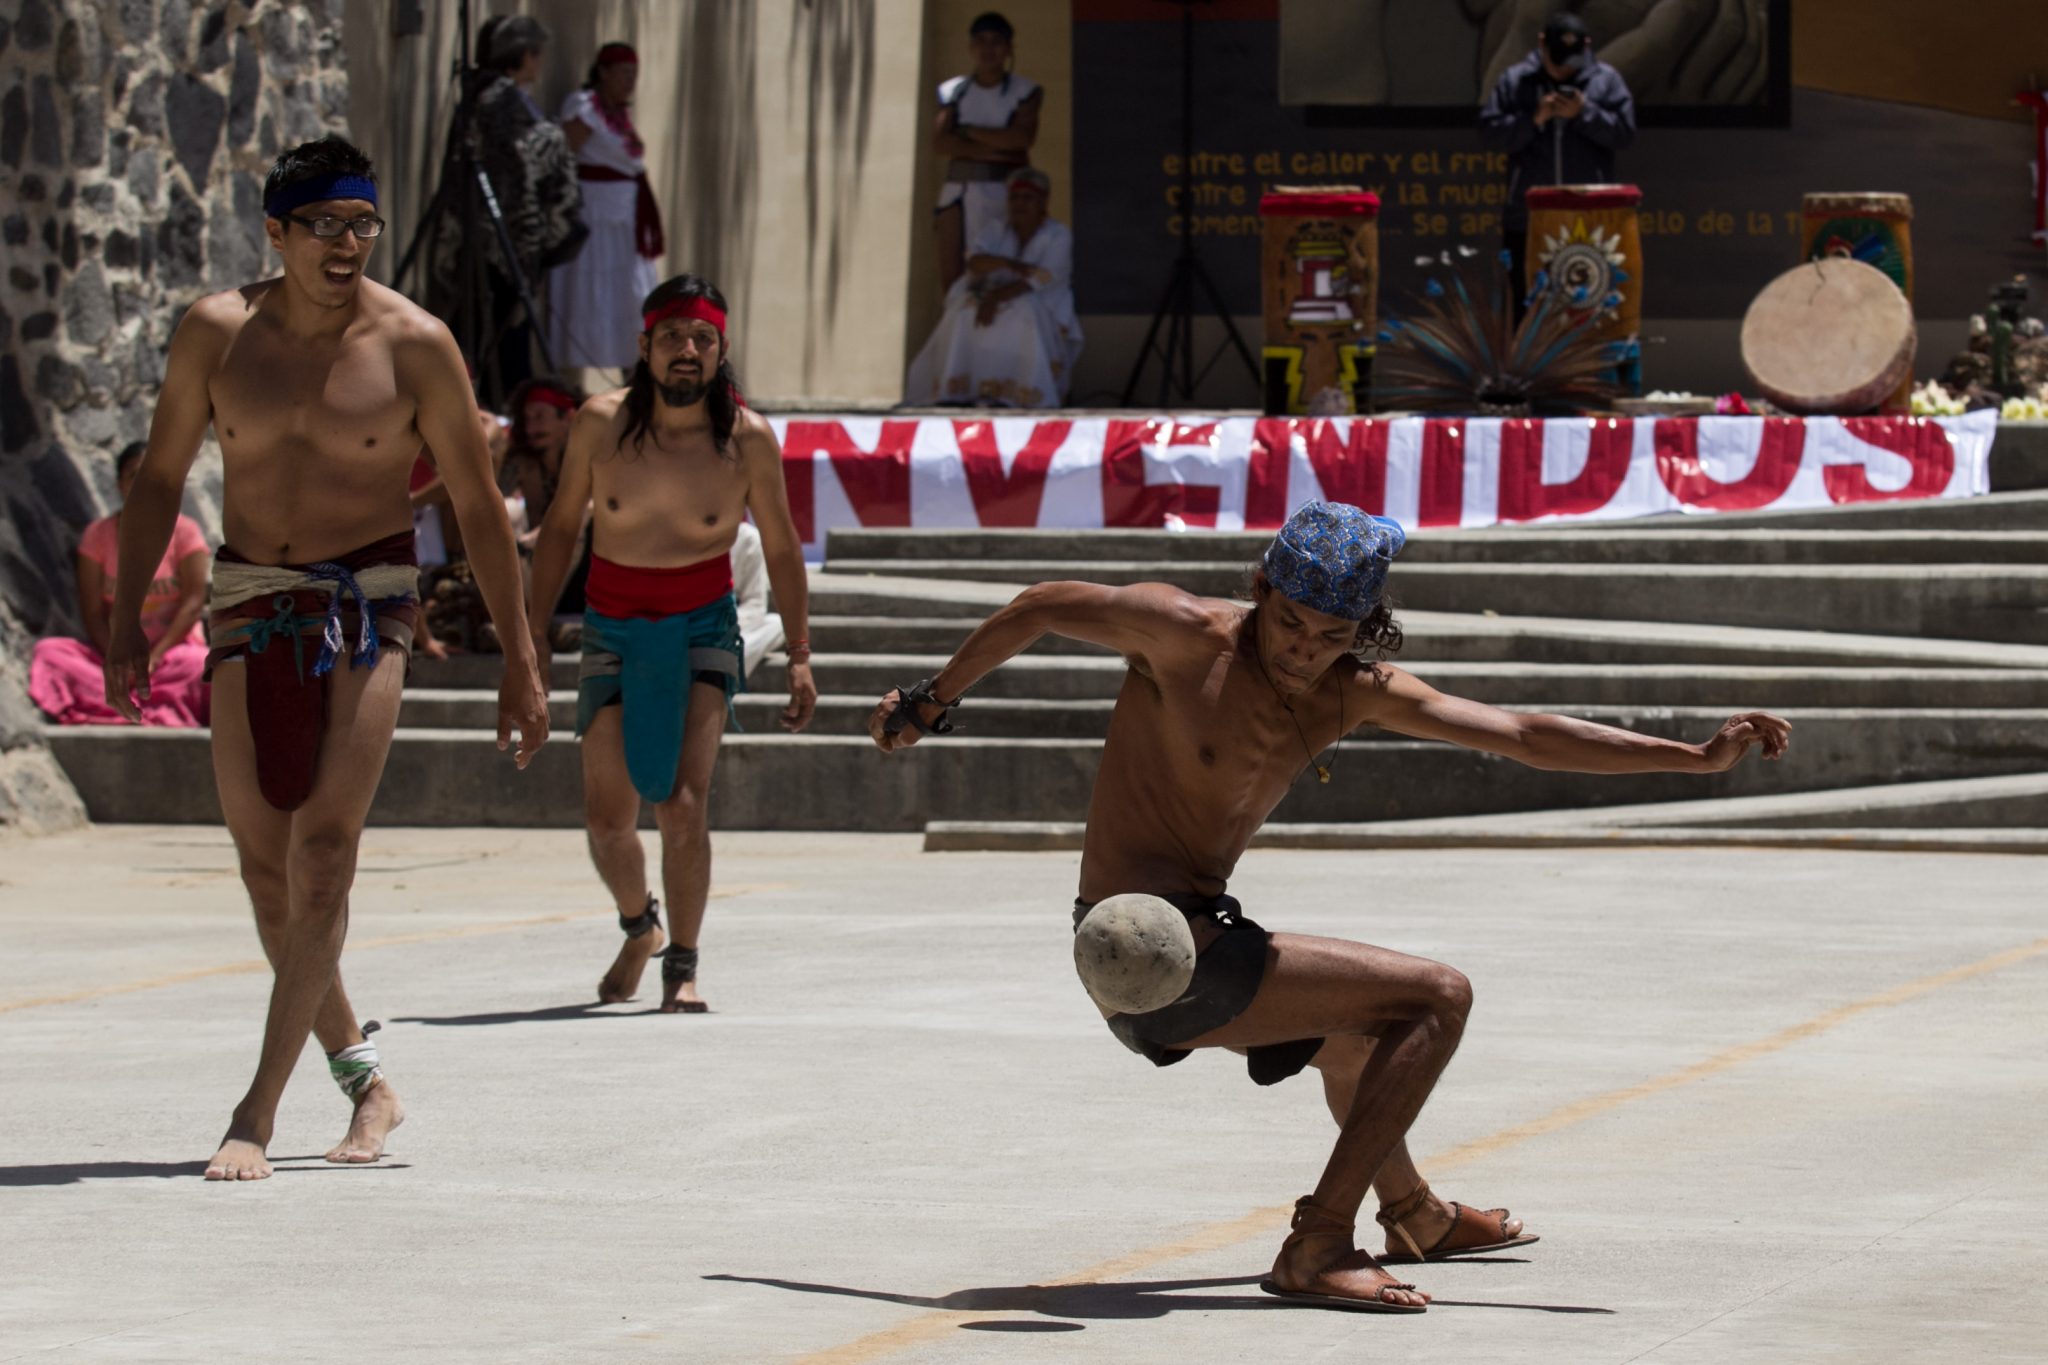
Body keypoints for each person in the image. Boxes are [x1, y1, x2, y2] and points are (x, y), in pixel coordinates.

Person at [867, 500, 1791, 1311]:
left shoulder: (1353, 691)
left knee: (1357, 1045)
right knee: (1438, 996)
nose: (1306, 649)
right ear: (1264, 589)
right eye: (1293, 622)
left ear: (1367, 626)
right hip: (1141, 945)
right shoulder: (1180, 632)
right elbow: (1040, 604)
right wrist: (928, 700)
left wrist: (1691, 755)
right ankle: (1317, 1245)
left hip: (1208, 935)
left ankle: (1417, 1214)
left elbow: (1519, 733)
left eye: (1333, 633)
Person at [105, 135, 549, 1182]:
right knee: (266, 873)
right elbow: (161, 479)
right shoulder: (215, 333)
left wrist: (521, 659)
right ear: (277, 231)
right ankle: (365, 1082)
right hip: (251, 598)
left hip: (370, 601)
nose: (348, 243)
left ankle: (253, 1111)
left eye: (363, 224)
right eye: (326, 226)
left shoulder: (414, 344)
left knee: (323, 855)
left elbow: (481, 512)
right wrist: (127, 614)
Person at [527, 275, 817, 1014]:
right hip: (612, 626)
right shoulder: (600, 423)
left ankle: (681, 963)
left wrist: (802, 655)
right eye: (672, 337)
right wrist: (527, 635)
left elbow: (782, 549)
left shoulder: (746, 439)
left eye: (702, 338)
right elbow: (561, 528)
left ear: (721, 350)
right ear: (644, 347)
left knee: (684, 805)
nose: (687, 351)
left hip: (703, 627)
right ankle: (640, 927)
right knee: (607, 818)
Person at [30, 441, 211, 727]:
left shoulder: (185, 533)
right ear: (119, 484)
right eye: (133, 476)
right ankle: (145, 710)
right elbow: (91, 612)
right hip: (113, 656)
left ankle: (136, 709)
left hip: (168, 656)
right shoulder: (97, 536)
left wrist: (154, 657)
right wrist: (118, 657)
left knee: (200, 665)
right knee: (50, 652)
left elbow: (193, 602)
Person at [1479, 10, 1636, 315]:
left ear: (1587, 46)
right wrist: (1533, 120)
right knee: (1525, 304)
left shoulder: (1606, 80)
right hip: (1528, 217)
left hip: (1590, 219)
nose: (1564, 71)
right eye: (1558, 60)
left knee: (1588, 307)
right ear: (1541, 45)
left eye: (1572, 62)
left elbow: (1625, 134)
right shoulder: (1516, 81)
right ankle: (1527, 363)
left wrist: (1585, 114)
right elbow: (1490, 134)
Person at [461, 15, 585, 397]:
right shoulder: (498, 99)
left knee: (511, 326)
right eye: (536, 54)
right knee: (504, 325)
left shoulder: (505, 97)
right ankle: (505, 402)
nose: (540, 62)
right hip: (503, 236)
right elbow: (514, 164)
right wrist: (556, 141)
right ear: (522, 54)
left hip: (511, 232)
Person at [905, 167, 1081, 408]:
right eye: (1014, 198)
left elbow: (1041, 278)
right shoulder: (996, 228)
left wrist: (997, 296)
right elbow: (976, 262)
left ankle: (1021, 394)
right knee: (964, 310)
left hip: (1043, 303)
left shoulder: (1058, 235)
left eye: (1028, 198)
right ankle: (960, 391)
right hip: (992, 292)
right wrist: (1008, 264)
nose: (1019, 204)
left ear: (1043, 202)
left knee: (1023, 311)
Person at [550, 42, 663, 372]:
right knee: (591, 295)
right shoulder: (584, 107)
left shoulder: (618, 115)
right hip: (596, 217)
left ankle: (636, 371)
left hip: (625, 220)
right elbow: (565, 156)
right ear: (603, 72)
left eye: (634, 74)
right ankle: (572, 378)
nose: (631, 81)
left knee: (633, 295)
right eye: (624, 73)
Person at [931, 11, 1042, 291]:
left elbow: (1021, 138)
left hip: (1003, 191)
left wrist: (967, 131)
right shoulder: (953, 91)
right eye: (980, 41)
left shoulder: (1025, 91)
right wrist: (995, 147)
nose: (988, 49)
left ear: (1008, 49)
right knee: (953, 278)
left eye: (996, 41)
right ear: (971, 47)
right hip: (958, 190)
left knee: (999, 273)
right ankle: (957, 333)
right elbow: (941, 143)